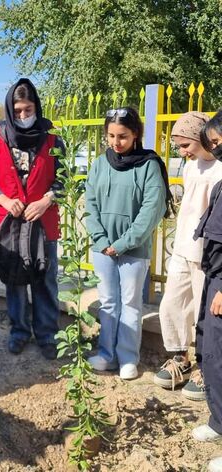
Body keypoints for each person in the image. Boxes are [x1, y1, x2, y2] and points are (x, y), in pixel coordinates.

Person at [0, 78, 64, 360]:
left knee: (45, 280)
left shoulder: (52, 138)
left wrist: (45, 200)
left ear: (36, 107)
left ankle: (47, 335)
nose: (24, 117)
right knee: (14, 281)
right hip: (9, 223)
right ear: (9, 111)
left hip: (43, 221)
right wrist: (4, 199)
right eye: (18, 112)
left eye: (28, 110)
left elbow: (65, 181)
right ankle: (18, 332)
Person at [85, 107, 171, 380]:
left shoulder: (149, 165)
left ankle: (127, 358)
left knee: (131, 303)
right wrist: (100, 239)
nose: (115, 142)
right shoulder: (100, 163)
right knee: (109, 303)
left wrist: (123, 243)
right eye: (110, 135)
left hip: (134, 249)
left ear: (135, 134)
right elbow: (91, 203)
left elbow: (151, 209)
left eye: (122, 136)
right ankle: (106, 355)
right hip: (103, 248)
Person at [153, 112, 222, 399]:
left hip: (207, 255)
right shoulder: (192, 167)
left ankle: (205, 369)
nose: (182, 152)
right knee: (171, 304)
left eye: (186, 145)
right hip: (182, 247)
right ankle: (180, 358)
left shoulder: (219, 169)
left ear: (203, 139)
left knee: (204, 315)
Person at [190, 110, 222, 472]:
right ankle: (218, 421)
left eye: (216, 142)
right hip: (214, 277)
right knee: (211, 354)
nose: (214, 149)